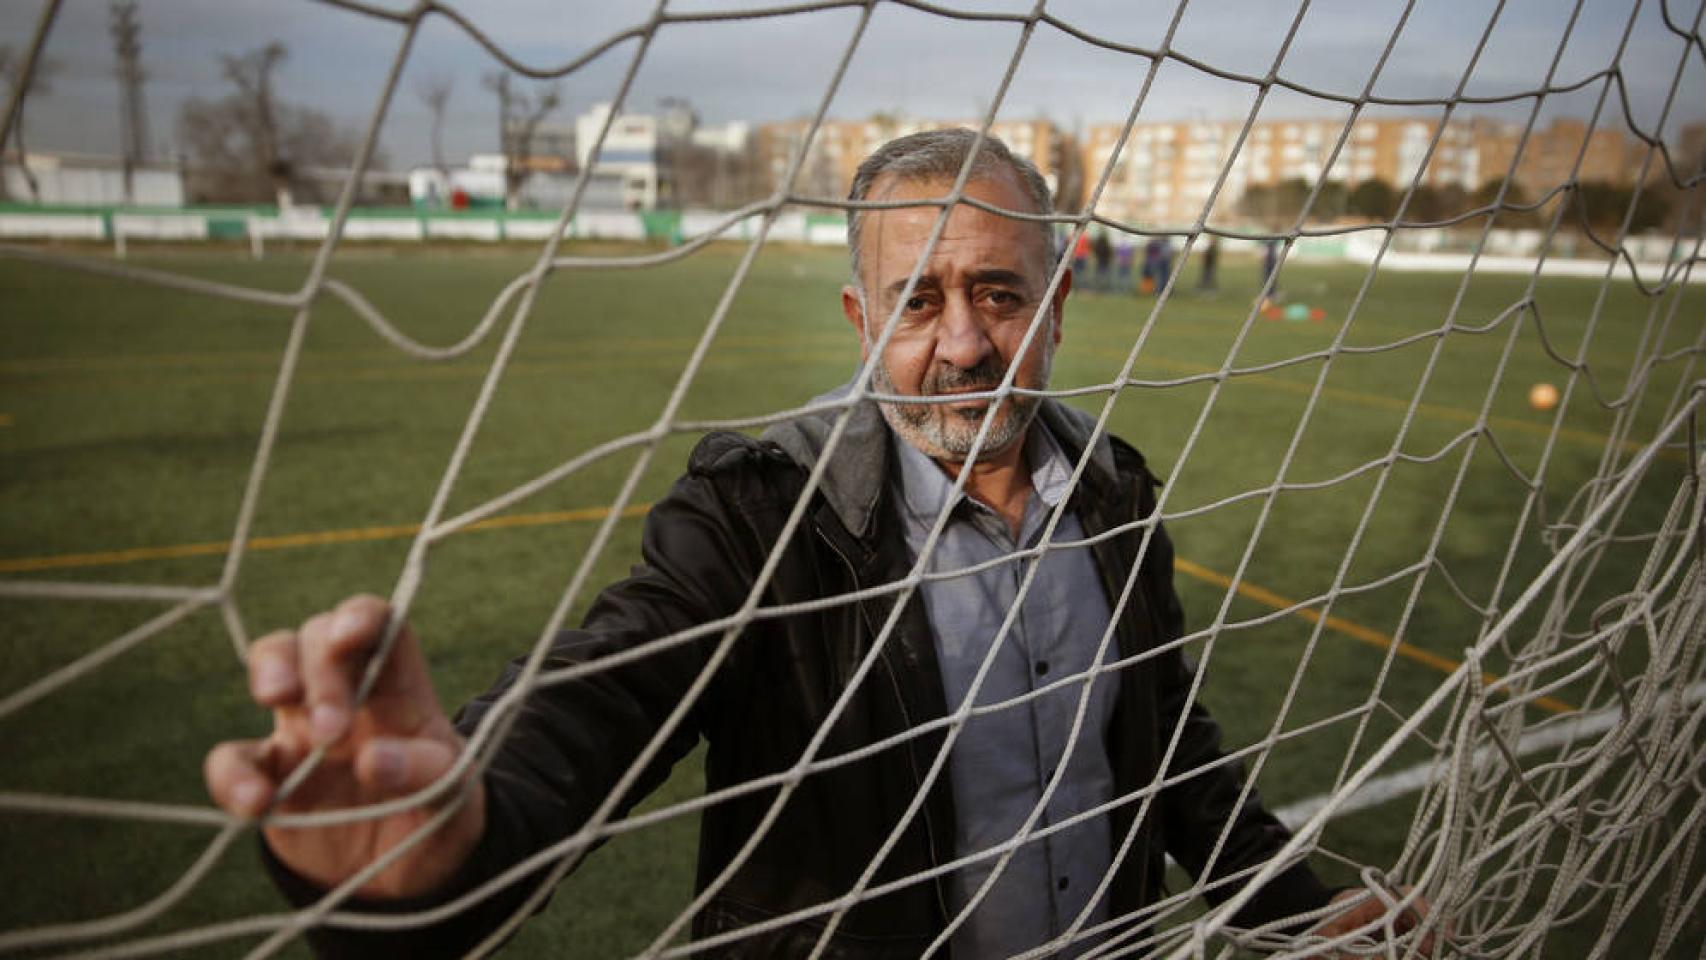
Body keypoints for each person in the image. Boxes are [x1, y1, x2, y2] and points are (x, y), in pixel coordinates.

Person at [205, 129, 1431, 958]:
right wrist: (454, 833)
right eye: (917, 301)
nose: (960, 343)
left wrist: (1295, 914)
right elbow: (608, 688)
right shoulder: (761, 513)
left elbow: (1167, 754)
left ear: (1055, 307)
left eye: (998, 294)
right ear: (861, 319)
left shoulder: (1110, 492)